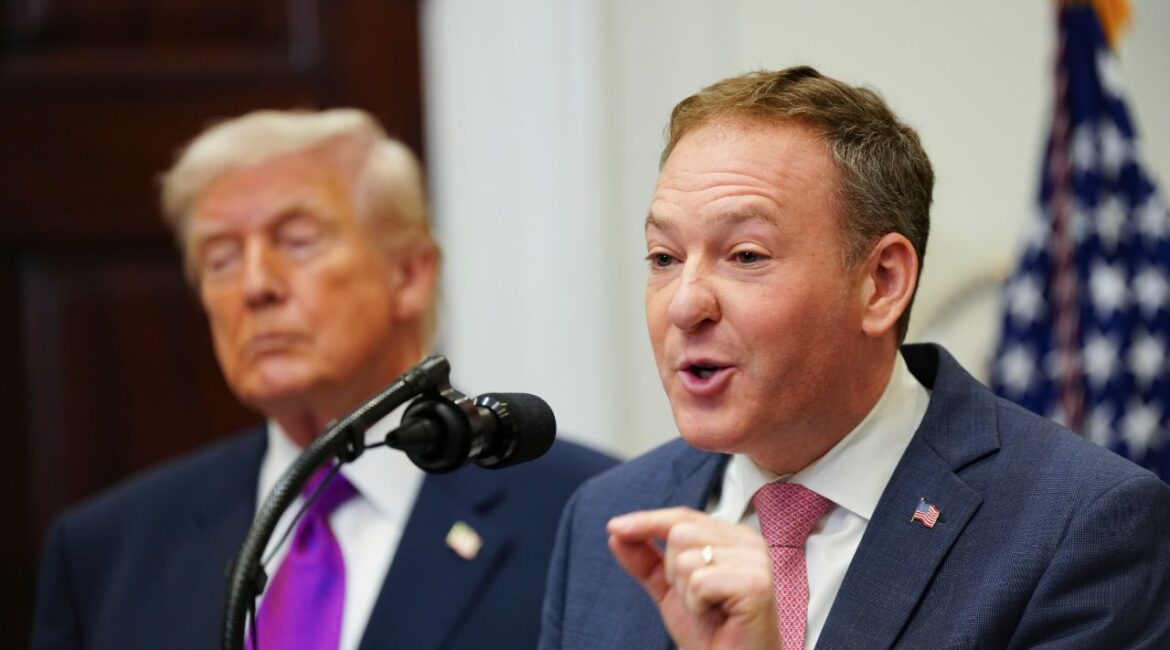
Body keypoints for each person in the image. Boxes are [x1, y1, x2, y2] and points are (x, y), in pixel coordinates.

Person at [539, 66, 1170, 649]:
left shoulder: (1080, 526)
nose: (684, 305)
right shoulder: (606, 519)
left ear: (882, 282)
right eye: (663, 258)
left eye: (746, 255)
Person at [30, 108, 616, 650]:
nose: (256, 285)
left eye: (298, 241)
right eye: (221, 259)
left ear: (410, 274)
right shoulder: (111, 550)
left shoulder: (590, 517)